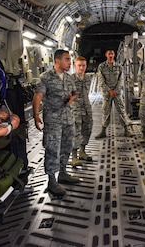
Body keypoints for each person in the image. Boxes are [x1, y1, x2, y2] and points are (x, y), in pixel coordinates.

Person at [32, 49, 79, 196]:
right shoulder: (45, 77)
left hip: (68, 119)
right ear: (57, 61)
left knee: (67, 145)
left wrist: (72, 98)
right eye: (67, 59)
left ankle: (63, 173)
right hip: (53, 120)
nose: (69, 62)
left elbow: (75, 93)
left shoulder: (69, 78)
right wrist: (35, 114)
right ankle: (52, 181)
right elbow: (38, 96)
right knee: (52, 149)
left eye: (70, 60)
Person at [95, 49, 133, 138]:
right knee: (106, 112)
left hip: (117, 93)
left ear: (114, 55)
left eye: (112, 53)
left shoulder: (119, 66)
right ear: (106, 55)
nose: (110, 55)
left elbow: (121, 80)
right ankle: (103, 130)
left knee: (121, 110)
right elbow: (101, 81)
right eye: (109, 54)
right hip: (107, 94)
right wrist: (109, 90)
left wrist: (115, 90)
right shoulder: (101, 67)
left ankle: (127, 129)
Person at [70, 56, 93, 166]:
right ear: (75, 66)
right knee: (76, 132)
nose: (82, 68)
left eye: (83, 65)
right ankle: (74, 157)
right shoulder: (70, 79)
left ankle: (82, 152)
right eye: (79, 65)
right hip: (75, 109)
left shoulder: (88, 78)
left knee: (87, 129)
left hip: (86, 107)